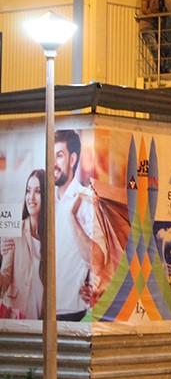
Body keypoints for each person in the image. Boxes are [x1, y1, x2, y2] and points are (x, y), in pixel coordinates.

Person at [53, 130, 97, 320]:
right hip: (42, 310)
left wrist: (72, 218)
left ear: (72, 159)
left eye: (59, 156)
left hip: (73, 310)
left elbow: (94, 257)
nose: (53, 163)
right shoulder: (47, 200)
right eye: (51, 156)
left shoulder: (86, 199)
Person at [0, 169, 46, 319]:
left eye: (38, 191)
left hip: (43, 321)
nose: (31, 197)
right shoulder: (14, 229)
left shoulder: (52, 237)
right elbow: (4, 279)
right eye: (28, 190)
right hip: (17, 319)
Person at [138, 0, 171, 73]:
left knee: (166, 46)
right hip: (147, 25)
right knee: (154, 47)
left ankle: (162, 68)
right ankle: (164, 68)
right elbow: (144, 9)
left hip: (157, 26)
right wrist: (154, 15)